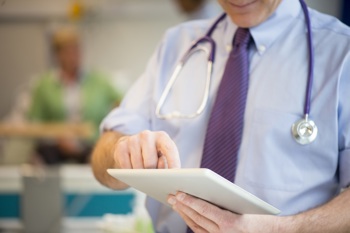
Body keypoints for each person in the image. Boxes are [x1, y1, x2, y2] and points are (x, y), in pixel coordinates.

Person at [91, 0, 350, 232]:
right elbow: (104, 159)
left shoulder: (341, 53)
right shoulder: (176, 45)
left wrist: (278, 229)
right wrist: (121, 151)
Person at [27, 27, 121, 164]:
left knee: (103, 157)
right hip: (55, 146)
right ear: (57, 55)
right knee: (38, 158)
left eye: (76, 50)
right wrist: (57, 138)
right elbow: (35, 123)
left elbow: (122, 103)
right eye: (68, 51)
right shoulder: (44, 85)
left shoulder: (99, 81)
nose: (73, 56)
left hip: (90, 144)